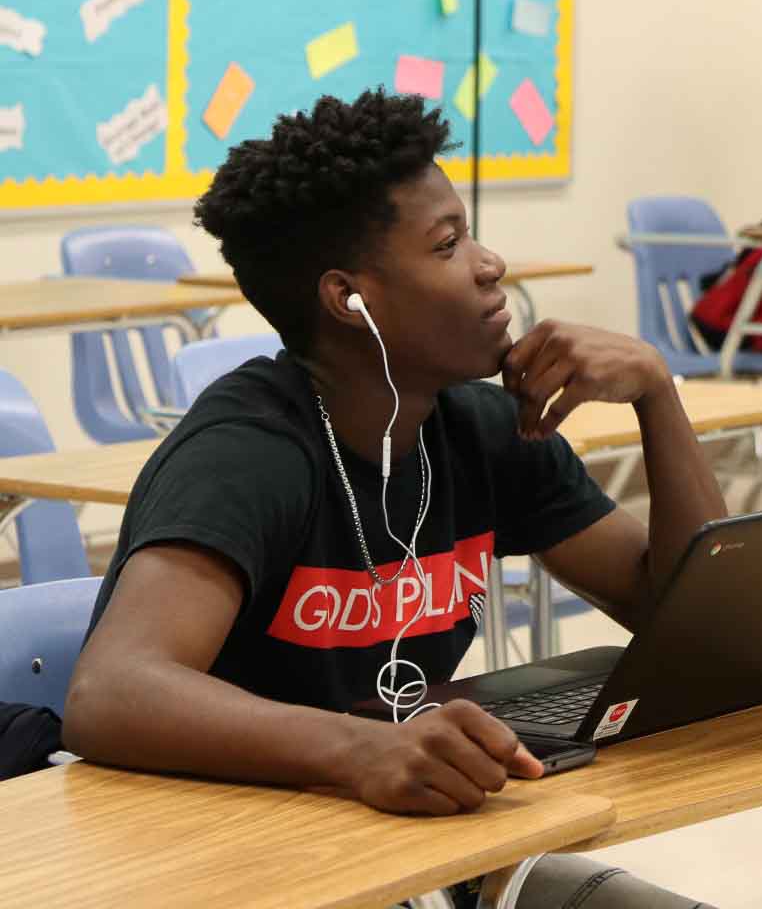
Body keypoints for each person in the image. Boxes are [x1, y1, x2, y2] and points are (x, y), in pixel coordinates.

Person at [62, 91, 724, 908]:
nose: (489, 264)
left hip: (401, 849)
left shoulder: (479, 432)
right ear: (350, 300)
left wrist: (658, 395)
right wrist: (358, 750)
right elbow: (111, 693)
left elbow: (701, 630)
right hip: (219, 857)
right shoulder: (248, 455)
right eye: (447, 245)